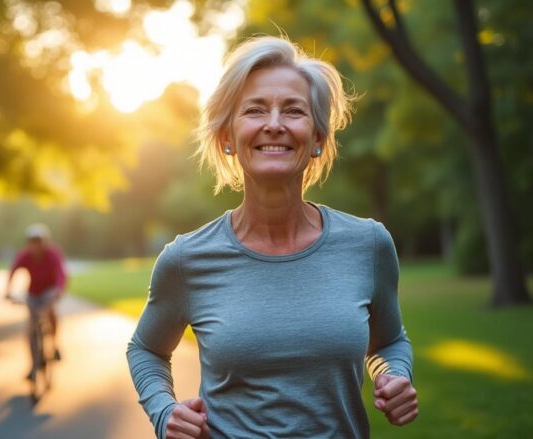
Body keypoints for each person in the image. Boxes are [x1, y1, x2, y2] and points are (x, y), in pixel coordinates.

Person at [127, 35, 418, 439]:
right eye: (255, 110)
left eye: (294, 110)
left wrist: (394, 376)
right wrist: (164, 412)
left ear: (317, 138)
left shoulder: (368, 245)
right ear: (227, 136)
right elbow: (146, 349)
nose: (275, 124)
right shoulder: (186, 259)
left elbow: (389, 343)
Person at [6, 223, 67, 379]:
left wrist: (59, 290)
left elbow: (60, 274)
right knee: (31, 326)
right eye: (32, 241)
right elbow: (13, 270)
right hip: (33, 292)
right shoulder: (24, 255)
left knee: (50, 311)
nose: (36, 245)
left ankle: (54, 345)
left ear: (45, 242)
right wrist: (8, 290)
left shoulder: (53, 254)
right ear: (28, 243)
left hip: (50, 290)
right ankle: (33, 365)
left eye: (39, 241)